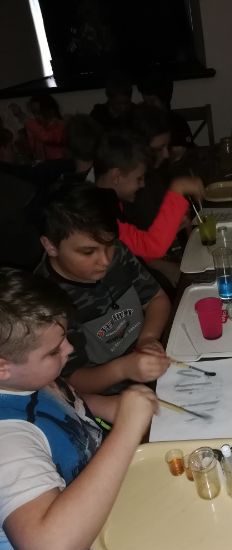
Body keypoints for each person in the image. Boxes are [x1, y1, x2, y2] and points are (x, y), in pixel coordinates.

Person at [0, 266, 159, 550]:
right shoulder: (7, 443)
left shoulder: (30, 378)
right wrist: (127, 428)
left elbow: (74, 406)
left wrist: (120, 408)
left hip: (109, 507)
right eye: (54, 351)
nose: (70, 349)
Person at [35, 182, 171, 395]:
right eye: (88, 252)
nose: (106, 260)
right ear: (51, 246)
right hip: (113, 394)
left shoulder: (118, 254)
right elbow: (71, 380)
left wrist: (147, 339)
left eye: (109, 245)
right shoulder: (43, 301)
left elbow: (157, 299)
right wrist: (124, 369)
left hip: (156, 362)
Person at [94, 129, 203, 264]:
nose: (143, 184)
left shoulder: (109, 202)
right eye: (139, 178)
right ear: (117, 176)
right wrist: (178, 188)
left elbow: (136, 250)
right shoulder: (101, 214)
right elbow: (151, 248)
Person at [137, 71, 193, 162]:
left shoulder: (177, 122)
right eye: (145, 101)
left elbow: (188, 152)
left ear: (164, 101)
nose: (148, 106)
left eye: (152, 101)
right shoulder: (141, 121)